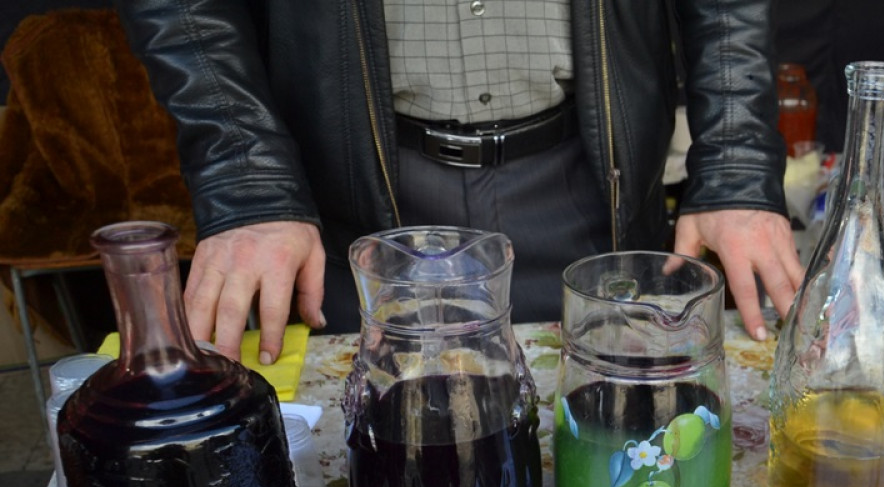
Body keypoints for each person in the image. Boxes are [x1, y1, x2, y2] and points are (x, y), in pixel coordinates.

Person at [115, 0, 804, 364]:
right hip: (353, 213)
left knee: (629, 480)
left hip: (593, 200)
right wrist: (248, 175)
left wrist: (737, 163)